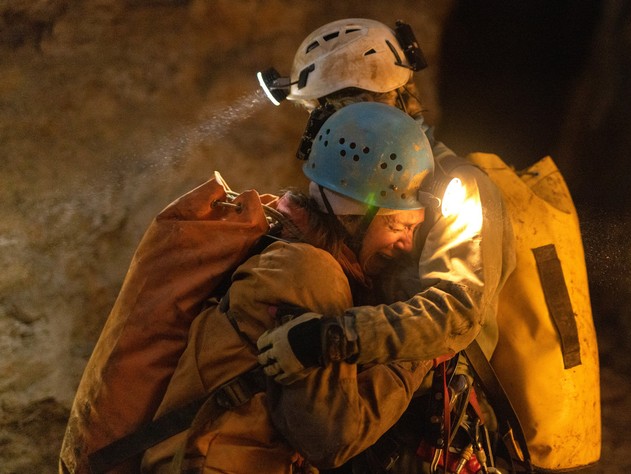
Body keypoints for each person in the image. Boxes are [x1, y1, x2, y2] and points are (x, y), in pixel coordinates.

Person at [255, 17, 518, 472]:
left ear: (381, 102)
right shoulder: (370, 183)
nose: (328, 135)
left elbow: (456, 311)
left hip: (438, 425)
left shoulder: (459, 188)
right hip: (375, 410)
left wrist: (332, 338)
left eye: (329, 114)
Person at [141, 102, 438, 473]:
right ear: (354, 217)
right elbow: (331, 437)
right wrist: (419, 348)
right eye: (399, 226)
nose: (407, 244)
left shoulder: (288, 248)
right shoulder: (311, 272)